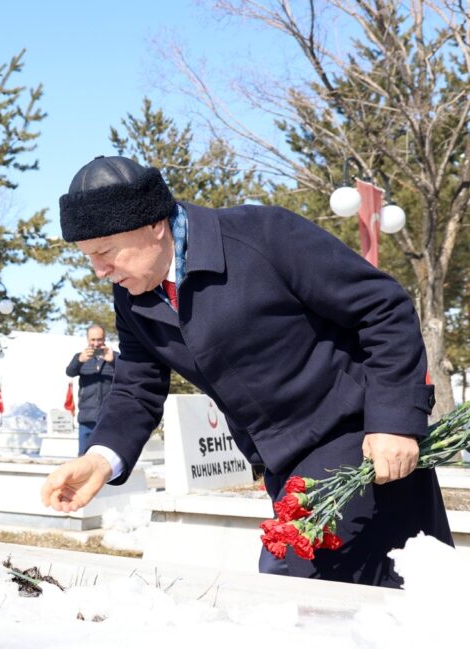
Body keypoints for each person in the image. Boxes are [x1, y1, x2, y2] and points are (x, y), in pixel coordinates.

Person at [40, 155, 451, 588]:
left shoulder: (263, 235)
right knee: (369, 601)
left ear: (153, 225)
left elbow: (382, 308)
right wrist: (100, 459)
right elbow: (136, 387)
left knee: (293, 584)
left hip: (355, 435)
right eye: (89, 257)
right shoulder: (134, 296)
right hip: (282, 463)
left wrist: (394, 422)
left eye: (105, 252)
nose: (99, 270)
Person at [65, 324, 115, 455]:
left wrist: (113, 361)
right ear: (87, 339)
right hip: (87, 418)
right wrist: (80, 360)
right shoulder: (81, 357)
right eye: (93, 340)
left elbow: (127, 374)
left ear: (104, 339)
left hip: (108, 418)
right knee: (83, 457)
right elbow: (69, 372)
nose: (96, 343)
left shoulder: (114, 357)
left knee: (106, 459)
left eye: (99, 339)